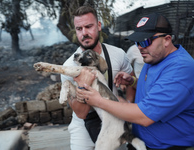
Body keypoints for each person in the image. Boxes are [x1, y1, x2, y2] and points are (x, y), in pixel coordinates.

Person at [74, 12, 194, 150]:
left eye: (145, 41)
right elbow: (158, 88)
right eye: (137, 42)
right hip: (142, 142)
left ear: (166, 39)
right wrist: (133, 82)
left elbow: (144, 116)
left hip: (167, 146)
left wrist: (98, 101)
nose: (140, 47)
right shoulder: (154, 57)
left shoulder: (180, 69)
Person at [60, 5, 134, 150]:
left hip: (113, 119)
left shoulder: (117, 54)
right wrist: (83, 84)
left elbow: (131, 80)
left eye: (89, 26)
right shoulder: (69, 66)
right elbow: (81, 113)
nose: (84, 33)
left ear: (99, 26)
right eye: (79, 29)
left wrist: (128, 105)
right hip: (83, 127)